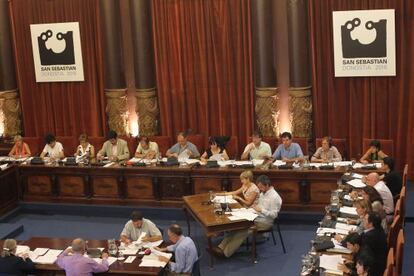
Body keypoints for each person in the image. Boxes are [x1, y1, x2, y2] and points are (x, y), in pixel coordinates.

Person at [213, 175, 282, 258]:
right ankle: (220, 247)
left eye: (261, 187)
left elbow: (274, 215)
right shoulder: (263, 193)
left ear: (267, 185)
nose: (259, 189)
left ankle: (225, 253)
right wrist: (251, 210)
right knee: (237, 226)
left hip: (265, 222)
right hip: (256, 217)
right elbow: (258, 207)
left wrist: (261, 210)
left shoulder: (275, 197)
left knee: (244, 230)